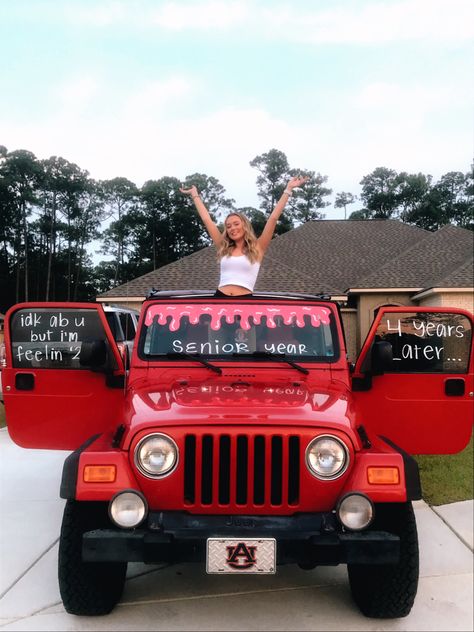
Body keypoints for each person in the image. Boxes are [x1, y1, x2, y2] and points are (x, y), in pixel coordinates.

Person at [180, 175, 309, 297]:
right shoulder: (223, 247)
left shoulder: (258, 247)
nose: (232, 228)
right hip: (220, 297)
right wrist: (194, 194)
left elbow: (273, 218)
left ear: (244, 226)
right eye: (228, 226)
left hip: (246, 301)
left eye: (236, 224)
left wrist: (288, 189)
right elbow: (207, 220)